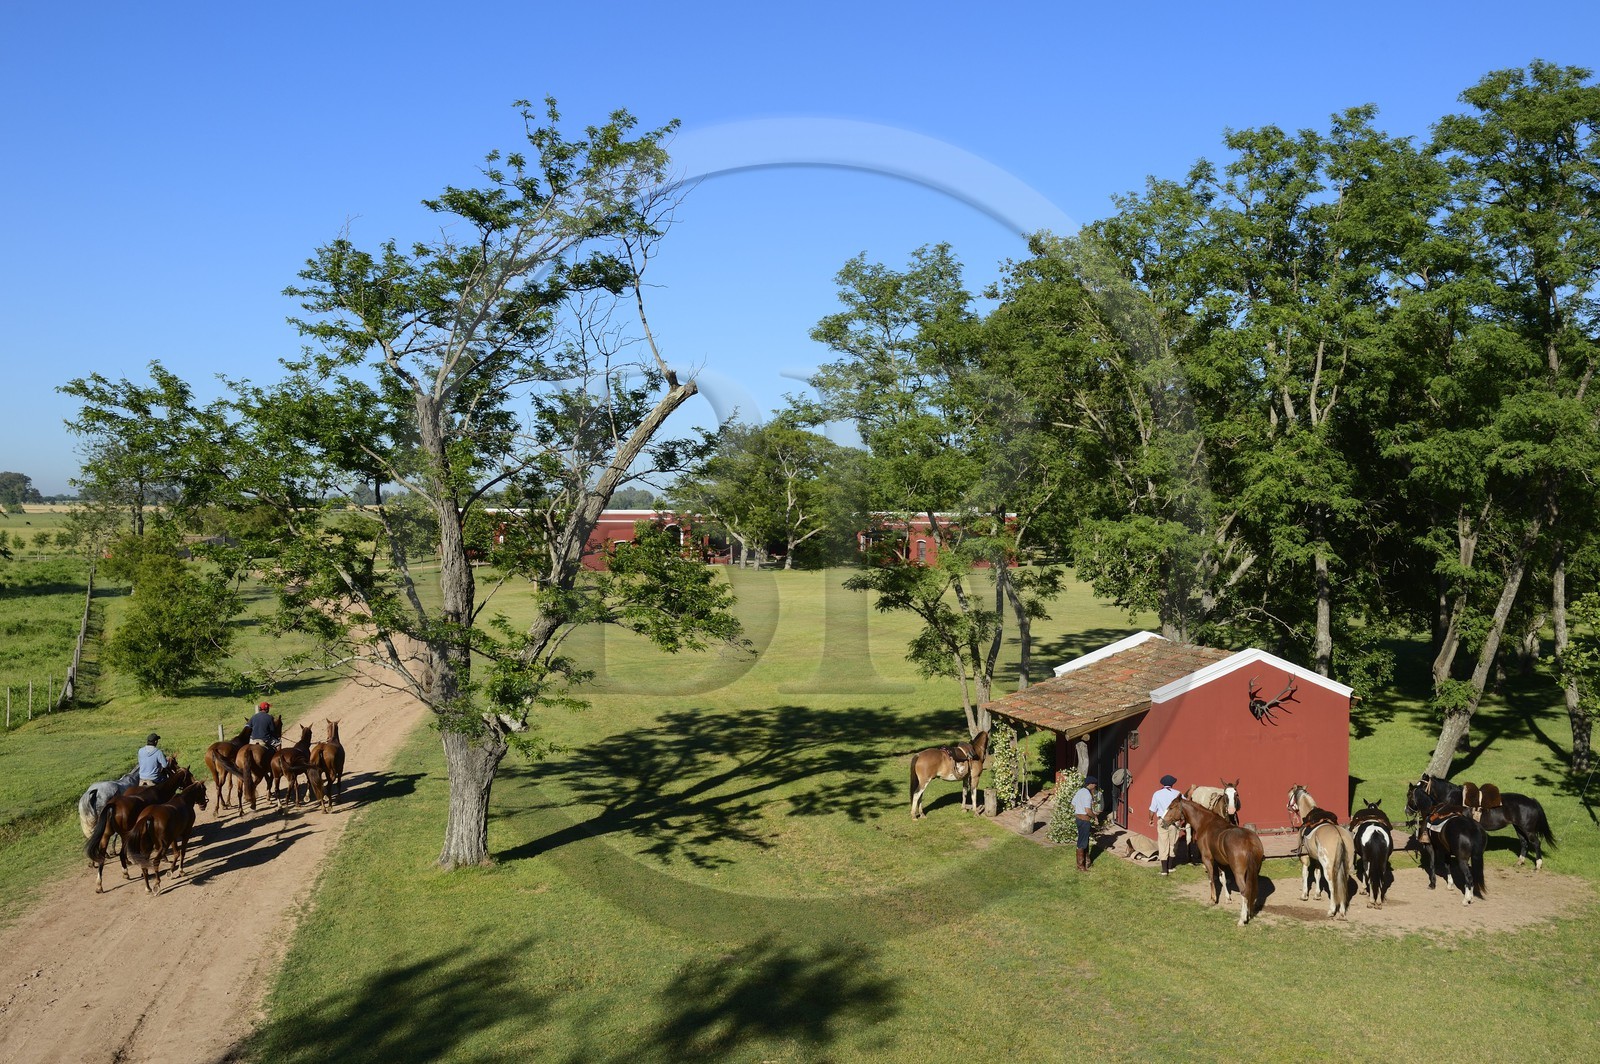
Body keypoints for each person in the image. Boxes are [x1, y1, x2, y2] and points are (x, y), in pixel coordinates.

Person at [1149, 773, 1182, 875]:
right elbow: (1185, 805)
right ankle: (1170, 867)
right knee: (1173, 843)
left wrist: (1150, 819)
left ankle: (1164, 870)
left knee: (1163, 843)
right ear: (1172, 784)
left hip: (1162, 821)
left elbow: (1152, 809)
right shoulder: (1178, 794)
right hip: (1175, 822)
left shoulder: (1157, 794)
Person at [1071, 775, 1099, 871]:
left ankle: (1087, 861)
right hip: (1084, 820)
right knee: (1082, 842)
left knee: (1084, 840)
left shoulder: (1080, 791)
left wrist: (1079, 811)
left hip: (1078, 818)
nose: (1095, 786)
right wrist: (1094, 816)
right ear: (1090, 784)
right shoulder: (1087, 795)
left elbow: (1073, 803)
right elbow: (1087, 810)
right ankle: (1080, 866)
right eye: (1094, 784)